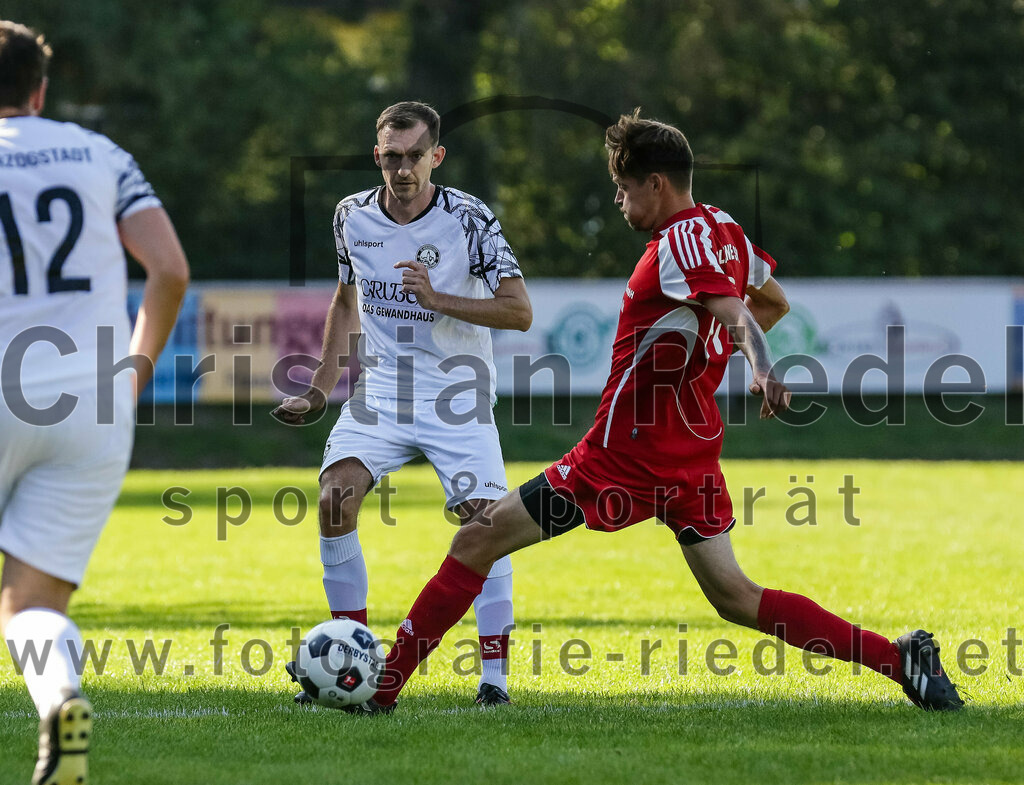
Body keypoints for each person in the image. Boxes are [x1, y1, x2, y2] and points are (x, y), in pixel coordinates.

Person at [349, 109, 964, 714]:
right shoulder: (722, 227)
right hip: (687, 460)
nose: (618, 202)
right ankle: (899, 658)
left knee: (475, 543)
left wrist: (762, 364)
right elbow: (770, 299)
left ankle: (379, 689)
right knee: (736, 597)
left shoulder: (680, 242)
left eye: (621, 189)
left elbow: (740, 314)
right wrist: (716, 355)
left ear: (655, 185)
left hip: (618, 458)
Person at [274, 101, 531, 706]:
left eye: (415, 156)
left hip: (458, 391)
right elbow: (345, 300)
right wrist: (319, 385)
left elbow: (519, 312)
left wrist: (439, 298)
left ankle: (493, 678)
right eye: (392, 157)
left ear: (436, 156)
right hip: (384, 390)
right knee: (335, 496)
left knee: (484, 524)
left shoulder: (469, 218)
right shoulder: (351, 216)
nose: (404, 168)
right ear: (377, 157)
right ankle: (350, 657)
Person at [0, 21, 190, 785]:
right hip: (90, 405)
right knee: (33, 599)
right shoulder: (101, 155)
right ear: (41, 91)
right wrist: (134, 373)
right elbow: (169, 270)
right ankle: (59, 698)